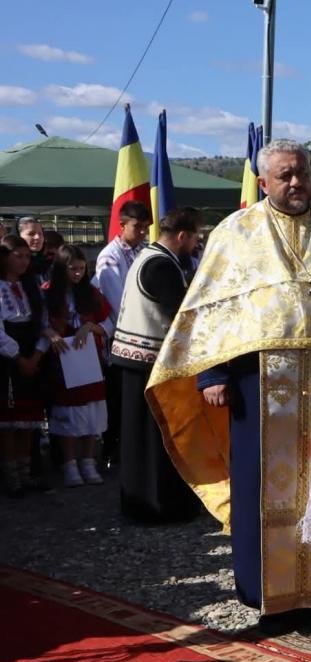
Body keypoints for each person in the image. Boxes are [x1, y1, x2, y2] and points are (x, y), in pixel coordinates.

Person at [146, 139, 311, 627]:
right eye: (285, 175)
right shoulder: (235, 232)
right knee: (262, 492)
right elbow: (209, 307)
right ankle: (269, 600)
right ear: (264, 182)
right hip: (256, 384)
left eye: (302, 173)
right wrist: (213, 373)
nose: (296, 182)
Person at [110, 206, 204, 521]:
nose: (196, 245)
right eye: (195, 238)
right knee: (154, 439)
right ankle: (157, 506)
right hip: (148, 362)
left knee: (141, 437)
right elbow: (180, 317)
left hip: (134, 359)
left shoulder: (148, 257)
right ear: (182, 236)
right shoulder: (162, 266)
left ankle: (145, 504)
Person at [41, 245, 113, 487]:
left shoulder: (91, 293)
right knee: (69, 412)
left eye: (82, 269)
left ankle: (88, 461)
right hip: (62, 360)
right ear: (62, 269)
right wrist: (50, 333)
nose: (78, 274)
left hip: (89, 360)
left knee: (92, 411)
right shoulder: (47, 293)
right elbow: (39, 322)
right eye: (73, 269)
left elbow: (109, 320)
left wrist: (90, 327)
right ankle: (69, 464)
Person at [95, 200, 153, 469]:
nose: (142, 232)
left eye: (145, 227)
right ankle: (112, 448)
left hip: (143, 333)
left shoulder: (144, 251)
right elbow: (117, 300)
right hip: (122, 336)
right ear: (122, 225)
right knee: (118, 396)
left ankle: (136, 447)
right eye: (137, 227)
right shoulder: (110, 257)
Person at [0, 234, 49, 496]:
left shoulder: (32, 287)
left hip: (32, 353)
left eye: (27, 257)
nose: (23, 261)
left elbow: (43, 323)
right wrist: (19, 358)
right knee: (9, 424)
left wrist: (36, 355)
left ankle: (27, 472)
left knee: (28, 420)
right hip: (8, 360)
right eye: (17, 256)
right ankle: (12, 477)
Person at [17, 218, 47, 283]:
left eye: (40, 233)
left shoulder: (49, 263)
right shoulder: (9, 267)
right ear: (19, 236)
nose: (37, 237)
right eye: (31, 234)